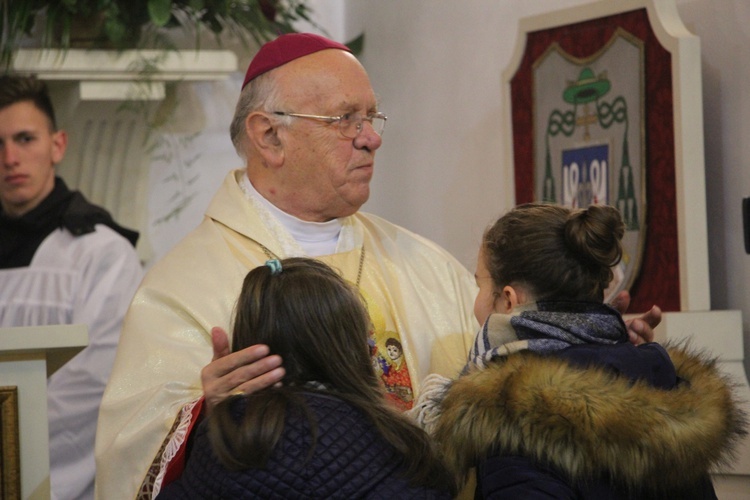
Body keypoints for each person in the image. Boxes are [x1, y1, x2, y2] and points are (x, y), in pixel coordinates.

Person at [94, 33, 660, 499]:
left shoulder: (421, 262)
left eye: (371, 117)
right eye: (344, 120)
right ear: (268, 135)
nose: (370, 140)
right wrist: (204, 419)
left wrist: (582, 337)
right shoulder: (187, 285)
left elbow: (507, 365)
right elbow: (134, 452)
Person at [410, 203, 746, 499]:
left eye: (480, 284)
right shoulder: (661, 382)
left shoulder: (509, 417)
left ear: (509, 301)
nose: (476, 302)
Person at [156, 257, 455, 498]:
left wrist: (212, 422)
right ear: (353, 351)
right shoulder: (397, 445)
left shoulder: (220, 445)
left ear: (247, 345)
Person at [0, 75, 143, 500]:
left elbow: (96, 383)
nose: (10, 158)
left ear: (57, 145)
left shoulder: (101, 253)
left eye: (25, 138)